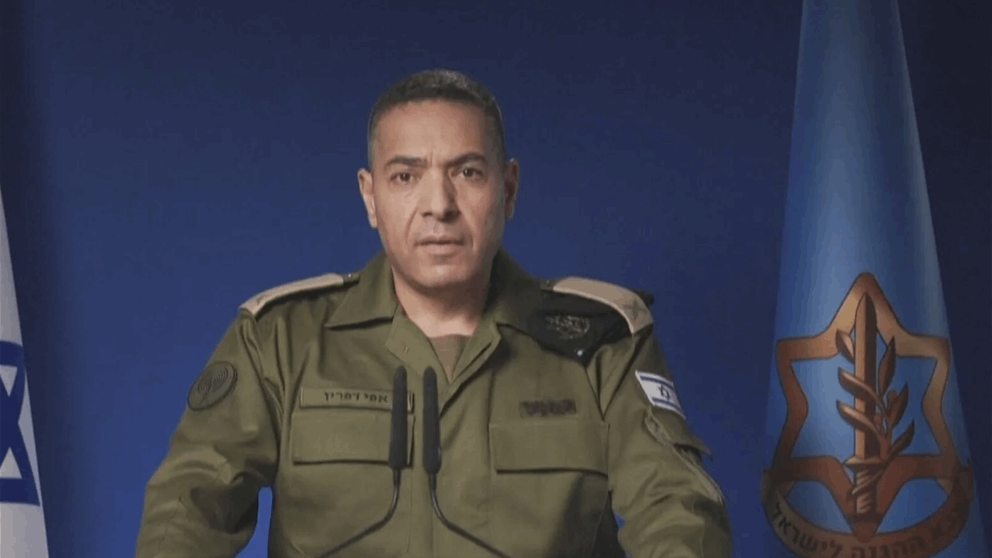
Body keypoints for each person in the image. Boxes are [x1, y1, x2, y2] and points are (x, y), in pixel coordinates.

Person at [135, 68, 733, 558]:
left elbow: (676, 512)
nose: (438, 205)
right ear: (371, 196)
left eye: (467, 172)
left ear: (508, 189)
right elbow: (189, 505)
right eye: (406, 176)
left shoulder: (602, 343)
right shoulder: (280, 341)